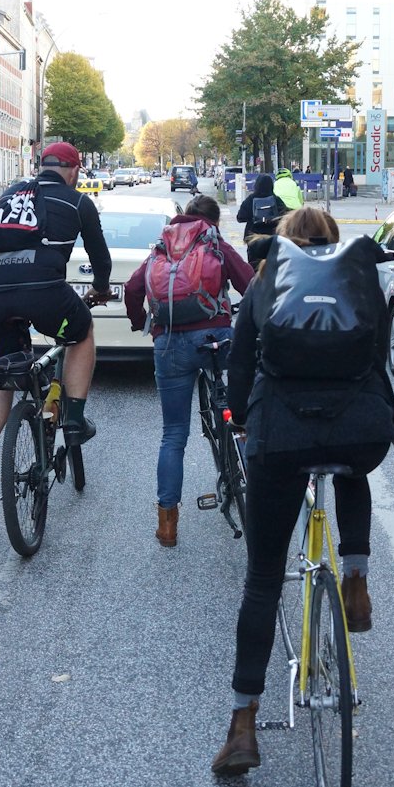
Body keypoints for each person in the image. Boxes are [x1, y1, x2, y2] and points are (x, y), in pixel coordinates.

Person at [211, 206, 394, 777]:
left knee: (263, 583)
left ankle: (244, 724)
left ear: (287, 242)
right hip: (357, 430)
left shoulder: (269, 279)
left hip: (282, 437)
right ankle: (357, 575)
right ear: (334, 242)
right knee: (351, 469)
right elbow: (376, 359)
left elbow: (241, 363)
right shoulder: (361, 278)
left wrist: (242, 416)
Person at [0, 141, 113, 501]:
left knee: (1, 371)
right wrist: (99, 290)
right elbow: (101, 260)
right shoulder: (78, 201)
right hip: (43, 291)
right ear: (75, 171)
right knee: (80, 332)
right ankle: (75, 419)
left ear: (39, 167)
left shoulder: (14, 192)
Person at [124, 194, 255, 547]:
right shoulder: (215, 242)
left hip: (170, 344)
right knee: (238, 412)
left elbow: (132, 289)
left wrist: (142, 323)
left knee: (174, 433)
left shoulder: (161, 247)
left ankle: (167, 524)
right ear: (212, 221)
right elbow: (251, 285)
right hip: (216, 338)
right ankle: (249, 475)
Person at [236, 173, 288, 241]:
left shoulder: (250, 199)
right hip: (272, 236)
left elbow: (240, 218)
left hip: (253, 236)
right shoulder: (276, 200)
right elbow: (285, 215)